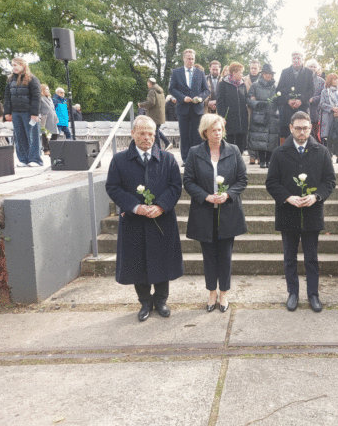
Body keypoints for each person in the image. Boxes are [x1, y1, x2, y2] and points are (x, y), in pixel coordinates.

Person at [105, 115, 183, 322]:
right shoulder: (120, 160)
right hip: (134, 221)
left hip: (161, 220)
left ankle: (161, 300)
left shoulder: (167, 159)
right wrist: (135, 206)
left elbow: (176, 187)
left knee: (162, 261)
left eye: (151, 133)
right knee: (137, 262)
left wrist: (161, 206)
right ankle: (145, 302)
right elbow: (113, 187)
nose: (147, 138)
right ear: (133, 134)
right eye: (142, 133)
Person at [265, 111, 336, 313]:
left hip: (312, 211)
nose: (302, 132)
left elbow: (330, 181)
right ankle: (293, 293)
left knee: (311, 257)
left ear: (310, 128)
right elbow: (271, 182)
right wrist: (288, 197)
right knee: (289, 256)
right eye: (298, 128)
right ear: (291, 128)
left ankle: (313, 294)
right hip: (288, 211)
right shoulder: (279, 153)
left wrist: (316, 196)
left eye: (305, 128)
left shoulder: (321, 151)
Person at [183, 113, 247, 312]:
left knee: (225, 255)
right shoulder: (194, 152)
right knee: (208, 255)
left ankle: (224, 293)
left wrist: (227, 195)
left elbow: (242, 179)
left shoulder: (234, 150)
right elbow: (188, 181)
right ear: (205, 132)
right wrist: (206, 196)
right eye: (213, 130)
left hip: (227, 211)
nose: (217, 134)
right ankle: (212, 292)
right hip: (204, 211)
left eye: (220, 130)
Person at [169, 48, 210, 164]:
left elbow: (206, 90)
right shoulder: (176, 72)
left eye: (192, 59)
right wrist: (182, 98)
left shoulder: (200, 73)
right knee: (184, 134)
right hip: (183, 108)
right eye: (188, 58)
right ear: (183, 58)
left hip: (197, 109)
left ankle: (197, 158)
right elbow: (171, 89)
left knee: (197, 135)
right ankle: (186, 159)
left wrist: (201, 98)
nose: (191, 61)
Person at [3, 57, 43, 167]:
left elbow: (37, 97)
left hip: (29, 113)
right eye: (12, 65)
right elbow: (7, 97)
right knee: (19, 137)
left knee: (32, 136)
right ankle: (23, 160)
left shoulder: (32, 79)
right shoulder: (10, 80)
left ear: (22, 65)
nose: (13, 67)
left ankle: (35, 159)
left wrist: (35, 114)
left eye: (15, 65)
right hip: (16, 113)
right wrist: (7, 112)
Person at [276, 51, 314, 143]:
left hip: (303, 107)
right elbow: (279, 90)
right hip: (288, 109)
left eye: (298, 58)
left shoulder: (308, 72)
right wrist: (288, 100)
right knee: (288, 135)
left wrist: (301, 100)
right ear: (291, 59)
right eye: (294, 58)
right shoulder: (285, 72)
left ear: (302, 59)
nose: (296, 60)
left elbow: (311, 90)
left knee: (303, 135)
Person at [247, 63, 280, 169]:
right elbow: (248, 99)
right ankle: (262, 160)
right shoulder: (255, 85)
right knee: (260, 138)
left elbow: (278, 100)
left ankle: (269, 160)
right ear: (262, 74)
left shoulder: (275, 87)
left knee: (271, 138)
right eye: (266, 74)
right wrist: (257, 104)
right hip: (260, 115)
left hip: (272, 115)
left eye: (270, 74)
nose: (268, 76)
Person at [216, 62, 249, 154]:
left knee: (240, 141)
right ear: (234, 72)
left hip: (241, 119)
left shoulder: (243, 85)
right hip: (229, 118)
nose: (242, 74)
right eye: (241, 72)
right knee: (229, 141)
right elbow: (219, 102)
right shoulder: (223, 84)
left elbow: (245, 99)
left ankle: (239, 160)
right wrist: (221, 117)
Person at [320, 73, 338, 164]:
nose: (336, 81)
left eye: (337, 79)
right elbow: (322, 104)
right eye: (334, 79)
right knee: (329, 137)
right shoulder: (324, 91)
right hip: (328, 116)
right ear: (330, 81)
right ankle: (329, 156)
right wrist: (331, 108)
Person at [139, 77, 172, 150]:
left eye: (147, 83)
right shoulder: (160, 91)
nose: (147, 84)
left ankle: (159, 150)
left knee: (155, 132)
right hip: (160, 115)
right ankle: (167, 143)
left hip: (154, 116)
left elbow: (151, 102)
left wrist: (141, 105)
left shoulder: (152, 91)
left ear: (150, 83)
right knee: (156, 130)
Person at [243, 59, 261, 164]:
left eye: (255, 68)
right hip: (248, 110)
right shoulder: (244, 79)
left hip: (260, 110)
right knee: (250, 133)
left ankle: (259, 155)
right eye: (252, 68)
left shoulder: (263, 79)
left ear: (259, 68)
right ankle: (252, 156)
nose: (253, 70)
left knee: (259, 133)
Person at [306, 59, 325, 142]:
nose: (312, 68)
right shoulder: (303, 80)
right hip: (304, 109)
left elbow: (323, 96)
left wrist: (313, 99)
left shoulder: (321, 81)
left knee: (314, 135)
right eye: (310, 67)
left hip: (315, 111)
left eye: (314, 67)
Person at [39, 84, 58, 155]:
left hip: (53, 118)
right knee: (45, 134)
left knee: (55, 134)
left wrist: (56, 117)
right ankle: (46, 149)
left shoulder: (50, 98)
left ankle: (52, 148)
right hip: (45, 118)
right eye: (46, 89)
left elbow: (53, 109)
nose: (48, 90)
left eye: (48, 89)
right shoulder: (40, 98)